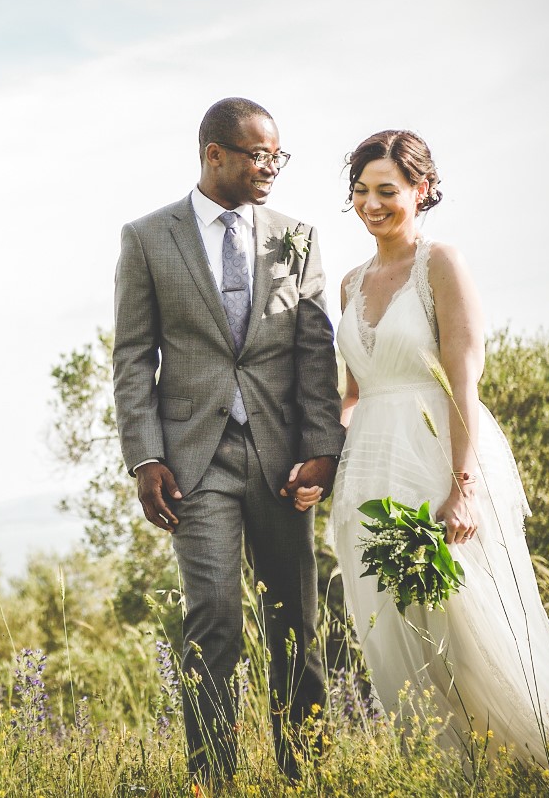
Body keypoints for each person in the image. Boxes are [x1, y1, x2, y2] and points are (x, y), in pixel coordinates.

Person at [292, 129, 549, 772]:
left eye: (387, 191)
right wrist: (321, 459)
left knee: (470, 622)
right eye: (360, 192)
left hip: (436, 455)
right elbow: (355, 393)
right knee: (391, 624)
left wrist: (463, 483)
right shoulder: (348, 282)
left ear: (421, 191)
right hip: (369, 470)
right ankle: (447, 768)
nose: (372, 204)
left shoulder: (441, 263)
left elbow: (464, 378)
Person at [112, 97, 346, 788]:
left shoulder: (296, 236)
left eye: (278, 154)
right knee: (213, 614)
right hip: (195, 460)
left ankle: (305, 773)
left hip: (282, 458)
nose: (270, 166)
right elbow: (132, 357)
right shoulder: (149, 237)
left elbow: (315, 351)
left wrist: (324, 449)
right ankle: (212, 779)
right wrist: (145, 455)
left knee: (296, 620)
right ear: (214, 154)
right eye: (256, 154)